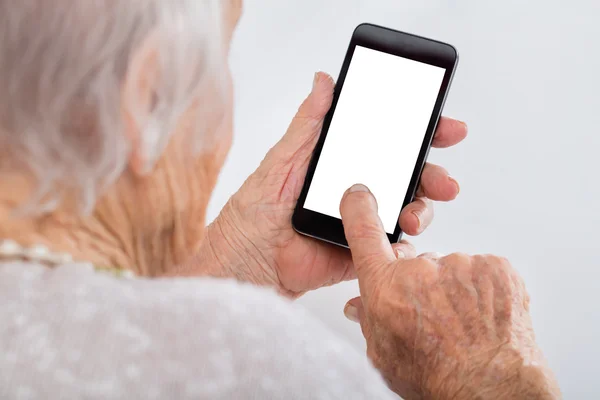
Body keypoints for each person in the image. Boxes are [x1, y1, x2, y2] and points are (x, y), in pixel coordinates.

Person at [0, 1, 561, 399]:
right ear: (147, 99)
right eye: (223, 58)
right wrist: (488, 377)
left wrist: (235, 262)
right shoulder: (263, 364)